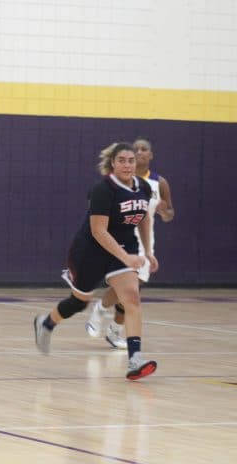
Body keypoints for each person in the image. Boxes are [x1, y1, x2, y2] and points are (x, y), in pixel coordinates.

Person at [33, 142, 159, 380]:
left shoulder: (142, 187)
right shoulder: (103, 189)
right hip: (91, 251)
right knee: (80, 302)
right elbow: (99, 231)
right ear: (113, 163)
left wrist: (148, 251)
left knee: (131, 297)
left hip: (123, 247)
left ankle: (135, 359)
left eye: (131, 160)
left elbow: (143, 218)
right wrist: (127, 258)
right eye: (121, 160)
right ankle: (47, 323)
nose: (127, 165)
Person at [85, 137, 175, 349]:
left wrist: (164, 210)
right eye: (136, 150)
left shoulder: (158, 183)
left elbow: (170, 213)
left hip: (144, 240)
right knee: (129, 290)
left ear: (150, 155)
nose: (140, 153)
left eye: (144, 150)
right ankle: (102, 311)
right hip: (120, 238)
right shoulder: (115, 182)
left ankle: (113, 327)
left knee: (135, 289)